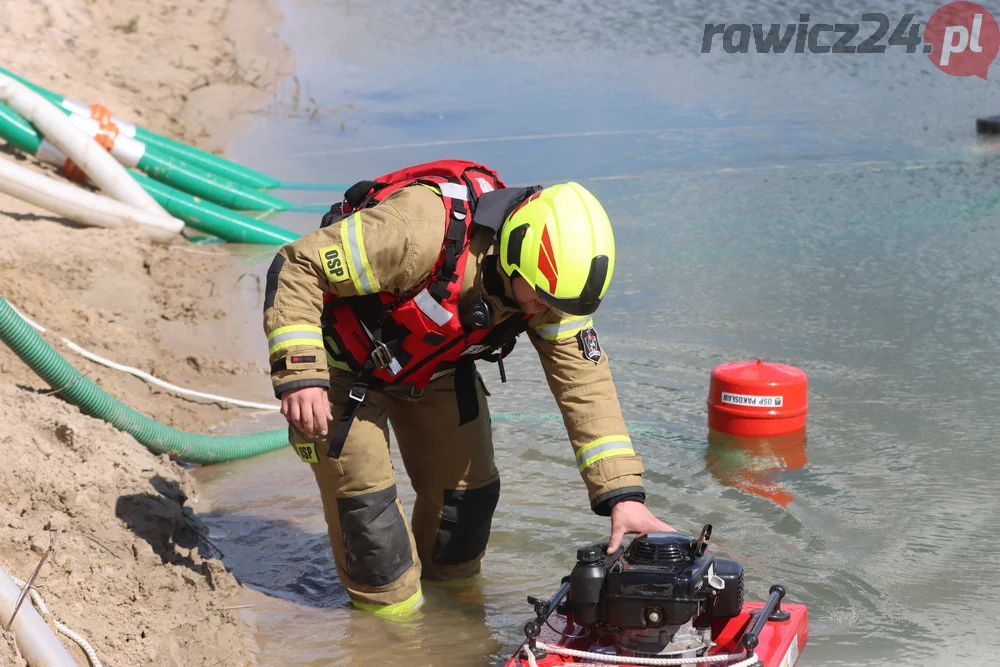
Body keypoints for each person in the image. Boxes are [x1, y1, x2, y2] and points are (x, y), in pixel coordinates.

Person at [263, 160, 674, 616]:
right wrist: (300, 375)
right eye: (539, 297)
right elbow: (297, 264)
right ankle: (390, 634)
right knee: (371, 526)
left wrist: (623, 496)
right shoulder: (419, 229)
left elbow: (586, 385)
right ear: (514, 253)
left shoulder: (551, 290)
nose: (544, 310)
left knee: (467, 507)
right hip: (341, 373)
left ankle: (453, 622)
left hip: (434, 370)